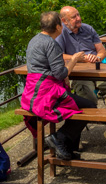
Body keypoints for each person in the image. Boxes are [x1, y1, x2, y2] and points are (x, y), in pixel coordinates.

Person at [21, 11, 94, 160]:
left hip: (32, 92)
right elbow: (60, 74)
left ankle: (68, 148)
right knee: (90, 106)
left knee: (77, 105)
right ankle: (59, 138)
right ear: (58, 27)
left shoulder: (34, 40)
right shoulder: (51, 44)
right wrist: (74, 59)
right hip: (46, 94)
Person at [56, 6, 106, 149]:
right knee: (88, 100)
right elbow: (59, 56)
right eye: (74, 17)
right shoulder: (60, 33)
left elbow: (102, 51)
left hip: (97, 70)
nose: (79, 19)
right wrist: (78, 58)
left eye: (78, 15)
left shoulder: (88, 29)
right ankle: (75, 134)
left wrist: (97, 57)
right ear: (64, 20)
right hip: (78, 74)